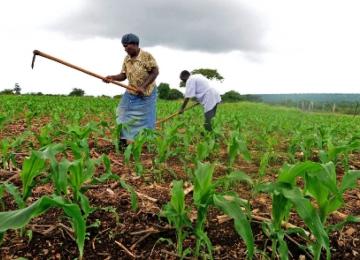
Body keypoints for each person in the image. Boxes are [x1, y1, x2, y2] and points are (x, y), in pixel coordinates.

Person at [103, 33, 159, 149]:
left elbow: (155, 72)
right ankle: (123, 140)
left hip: (147, 93)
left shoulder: (146, 56)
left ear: (135, 44)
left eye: (126, 46)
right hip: (131, 92)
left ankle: (144, 142)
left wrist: (143, 86)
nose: (125, 49)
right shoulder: (127, 59)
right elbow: (123, 75)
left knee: (145, 119)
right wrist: (111, 77)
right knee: (122, 113)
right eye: (123, 46)